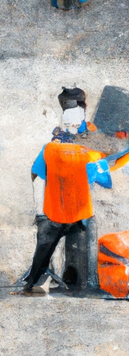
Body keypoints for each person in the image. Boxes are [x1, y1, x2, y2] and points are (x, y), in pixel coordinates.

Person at [20, 115, 129, 294]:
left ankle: (33, 283)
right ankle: (83, 283)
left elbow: (37, 174)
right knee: (83, 253)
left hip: (53, 213)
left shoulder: (49, 149)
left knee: (44, 253)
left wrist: (39, 209)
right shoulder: (90, 154)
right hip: (80, 215)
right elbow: (108, 172)